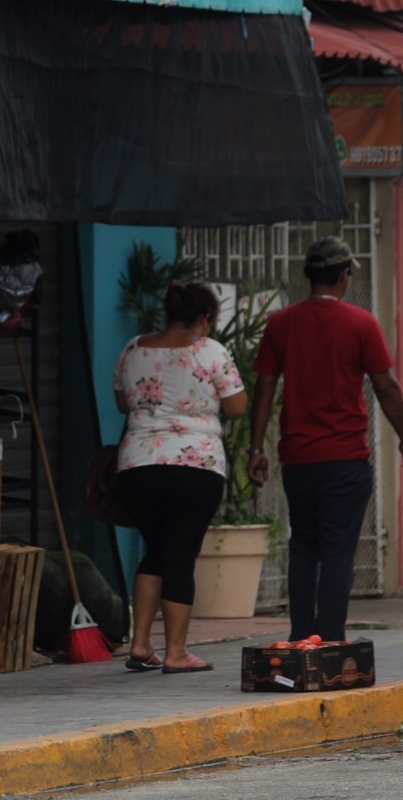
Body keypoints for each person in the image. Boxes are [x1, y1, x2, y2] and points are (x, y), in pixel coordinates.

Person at [247, 237, 403, 643]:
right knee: (338, 551)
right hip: (344, 459)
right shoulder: (362, 324)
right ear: (344, 276)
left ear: (308, 276)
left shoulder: (281, 323)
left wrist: (256, 448)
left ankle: (298, 637)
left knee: (304, 546)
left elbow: (264, 388)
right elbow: (387, 387)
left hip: (298, 461)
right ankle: (327, 640)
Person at [113, 281, 248, 674]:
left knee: (155, 550)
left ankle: (140, 644)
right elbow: (238, 406)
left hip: (137, 467)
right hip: (195, 467)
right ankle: (175, 653)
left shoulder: (132, 348)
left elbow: (122, 401)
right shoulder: (210, 351)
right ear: (205, 317)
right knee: (180, 556)